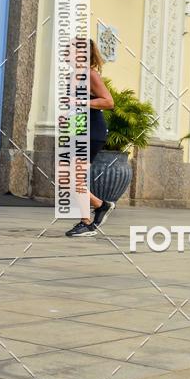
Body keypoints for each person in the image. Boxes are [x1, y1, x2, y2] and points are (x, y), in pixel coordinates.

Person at [65, 39, 116, 238]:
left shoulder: (90, 75)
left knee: (72, 178)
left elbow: (108, 101)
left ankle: (96, 210)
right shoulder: (72, 76)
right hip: (77, 131)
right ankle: (91, 215)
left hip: (91, 133)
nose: (65, 53)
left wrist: (79, 100)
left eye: (69, 50)